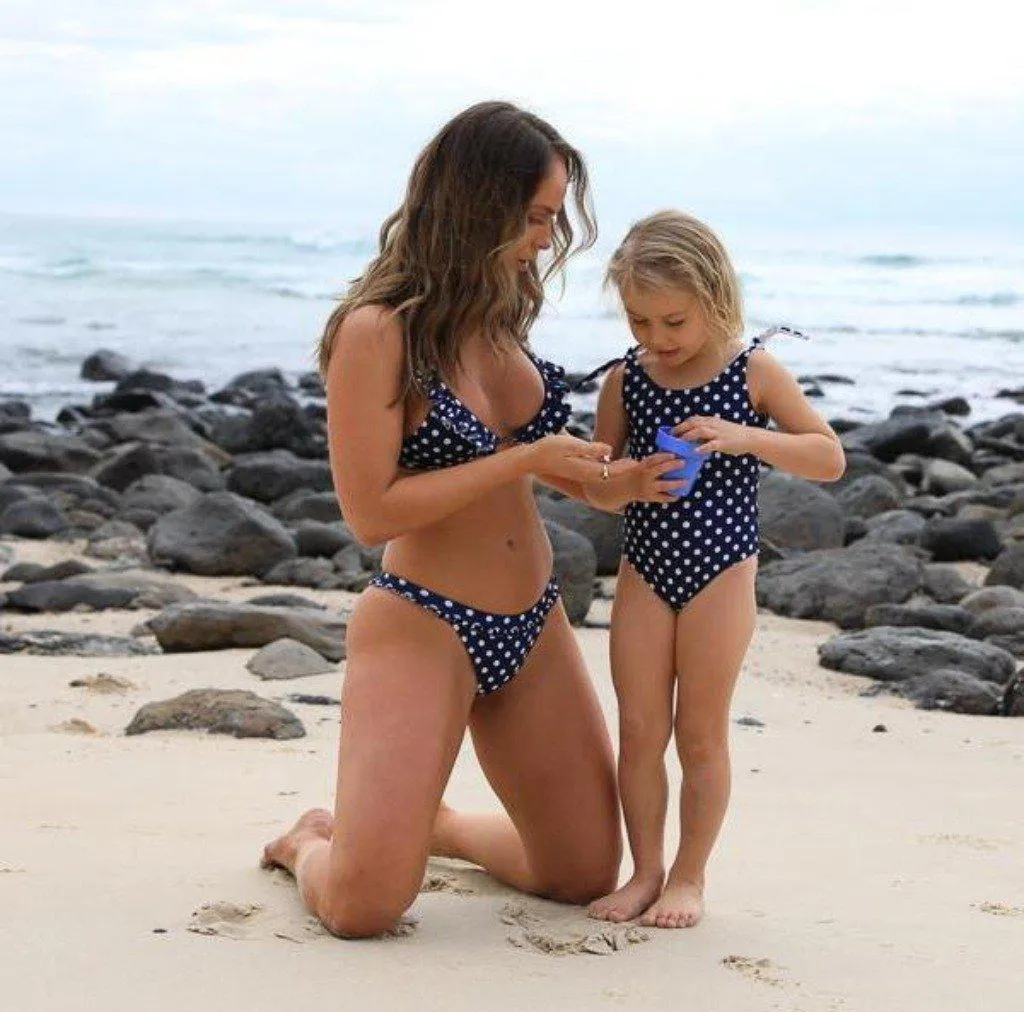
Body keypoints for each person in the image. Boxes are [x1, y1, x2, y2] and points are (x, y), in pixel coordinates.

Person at [260, 101, 639, 938]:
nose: (547, 238)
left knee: (581, 872)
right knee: (363, 909)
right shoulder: (375, 331)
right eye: (538, 216)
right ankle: (307, 844)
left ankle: (440, 831)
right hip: (425, 622)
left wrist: (621, 482)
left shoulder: (499, 313)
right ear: (480, 203)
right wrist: (528, 460)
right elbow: (369, 511)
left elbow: (546, 463)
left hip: (533, 622)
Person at [582, 211, 846, 928]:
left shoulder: (751, 370)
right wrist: (628, 479)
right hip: (646, 570)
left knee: (700, 733)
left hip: (723, 573)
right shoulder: (627, 381)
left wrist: (745, 437)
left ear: (714, 297)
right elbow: (597, 482)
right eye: (639, 322)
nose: (657, 340)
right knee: (639, 730)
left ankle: (690, 877)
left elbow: (827, 456)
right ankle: (645, 872)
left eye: (674, 322)